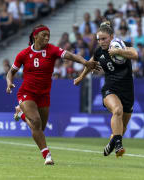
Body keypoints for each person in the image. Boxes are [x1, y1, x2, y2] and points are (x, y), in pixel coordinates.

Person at [6, 24, 99, 165]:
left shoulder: (52, 50)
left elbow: (71, 55)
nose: (47, 37)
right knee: (36, 122)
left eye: (48, 35)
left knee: (40, 129)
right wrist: (9, 82)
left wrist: (86, 62)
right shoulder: (23, 54)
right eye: (44, 35)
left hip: (44, 95)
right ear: (35, 36)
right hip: (27, 93)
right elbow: (11, 72)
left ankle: (21, 114)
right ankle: (47, 156)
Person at [74, 21, 138, 157]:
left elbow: (135, 54)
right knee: (117, 110)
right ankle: (118, 145)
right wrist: (80, 77)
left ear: (112, 36)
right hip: (110, 88)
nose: (101, 42)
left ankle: (112, 143)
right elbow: (90, 64)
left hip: (127, 90)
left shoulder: (121, 44)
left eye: (104, 39)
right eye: (99, 39)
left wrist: (118, 51)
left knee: (123, 126)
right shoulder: (99, 52)